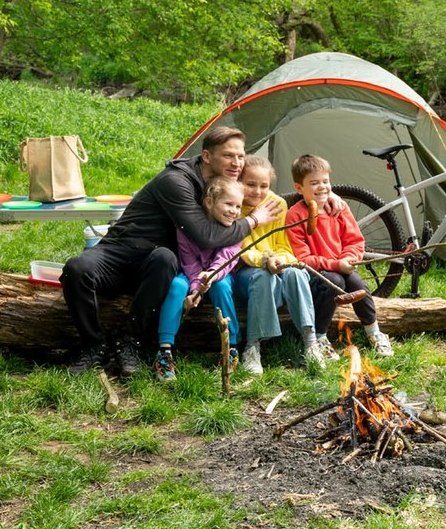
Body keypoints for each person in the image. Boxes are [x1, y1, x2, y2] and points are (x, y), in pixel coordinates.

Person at [61, 127, 280, 376]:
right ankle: (92, 346)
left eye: (241, 156)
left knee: (165, 258)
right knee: (76, 269)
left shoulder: (225, 183)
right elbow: (205, 236)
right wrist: (251, 221)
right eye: (229, 156)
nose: (238, 163)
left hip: (158, 262)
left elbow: (260, 191)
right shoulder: (176, 181)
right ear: (207, 156)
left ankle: (131, 343)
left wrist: (329, 198)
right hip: (122, 248)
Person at [286, 154, 394, 358]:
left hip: (340, 265)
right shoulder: (295, 215)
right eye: (314, 183)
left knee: (358, 285)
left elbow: (354, 240)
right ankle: (319, 336)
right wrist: (337, 265)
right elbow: (302, 258)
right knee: (333, 281)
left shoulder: (339, 207)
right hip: (314, 273)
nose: (322, 187)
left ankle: (374, 331)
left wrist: (350, 258)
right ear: (299, 188)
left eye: (326, 182)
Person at [233, 156, 327, 374]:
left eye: (263, 186)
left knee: (295, 272)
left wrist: (282, 261)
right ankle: (253, 346)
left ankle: (310, 342)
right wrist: (265, 260)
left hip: (276, 264)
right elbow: (241, 248)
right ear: (239, 182)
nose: (257, 191)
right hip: (247, 271)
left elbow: (283, 246)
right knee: (262, 276)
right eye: (250, 185)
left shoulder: (277, 204)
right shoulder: (234, 206)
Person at [152, 176, 245, 382]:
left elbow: (226, 259)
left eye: (238, 206)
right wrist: (196, 290)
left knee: (221, 287)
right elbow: (188, 260)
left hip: (220, 274)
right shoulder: (187, 228)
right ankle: (164, 352)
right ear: (210, 202)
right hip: (192, 273)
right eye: (228, 204)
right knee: (176, 285)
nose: (234, 211)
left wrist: (210, 276)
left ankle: (231, 348)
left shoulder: (236, 230)